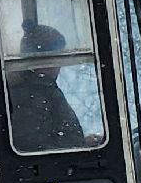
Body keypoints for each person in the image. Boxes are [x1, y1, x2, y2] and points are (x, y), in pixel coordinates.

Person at [6, 22, 89, 153]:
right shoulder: (29, 97)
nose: (59, 66)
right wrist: (78, 147)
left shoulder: (42, 89)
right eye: (57, 58)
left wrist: (82, 144)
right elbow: (36, 148)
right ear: (41, 59)